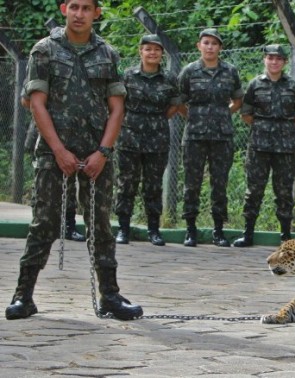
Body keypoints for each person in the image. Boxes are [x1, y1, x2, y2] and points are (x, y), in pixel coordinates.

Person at [6, 0, 143, 321]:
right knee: (44, 223)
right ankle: (22, 296)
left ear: (97, 13)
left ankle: (110, 295)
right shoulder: (45, 50)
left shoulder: (107, 53)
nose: (79, 14)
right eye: (74, 7)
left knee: (100, 225)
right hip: (54, 153)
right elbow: (36, 104)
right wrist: (58, 151)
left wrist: (103, 152)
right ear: (64, 8)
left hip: (97, 154)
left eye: (87, 8)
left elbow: (117, 108)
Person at [232, 44, 295, 247]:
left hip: (285, 147)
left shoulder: (293, 86)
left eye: (278, 59)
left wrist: (285, 127)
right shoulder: (255, 85)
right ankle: (248, 233)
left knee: (284, 191)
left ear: (284, 62)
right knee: (254, 190)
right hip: (259, 146)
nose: (274, 62)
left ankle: (285, 236)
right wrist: (263, 127)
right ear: (264, 60)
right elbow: (246, 114)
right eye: (270, 58)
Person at [114, 34, 182, 246]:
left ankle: (154, 230)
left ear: (162, 53)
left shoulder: (170, 79)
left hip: (157, 137)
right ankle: (123, 228)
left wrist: (155, 119)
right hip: (129, 137)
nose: (152, 53)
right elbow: (119, 104)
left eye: (156, 49)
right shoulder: (128, 76)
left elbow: (174, 106)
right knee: (126, 183)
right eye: (148, 49)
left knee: (153, 186)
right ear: (140, 51)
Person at [177, 28, 243, 247]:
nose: (210, 47)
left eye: (214, 44)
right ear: (199, 46)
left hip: (222, 137)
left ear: (220, 48)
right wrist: (194, 117)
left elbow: (237, 100)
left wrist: (223, 114)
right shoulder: (189, 71)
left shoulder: (230, 71)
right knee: (191, 183)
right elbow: (179, 102)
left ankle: (218, 230)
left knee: (219, 184)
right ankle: (190, 230)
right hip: (195, 136)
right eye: (206, 43)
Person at [22, 81, 85, 243]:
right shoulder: (41, 60)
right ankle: (39, 224)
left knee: (70, 180)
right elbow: (26, 99)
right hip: (44, 132)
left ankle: (69, 226)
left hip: (72, 132)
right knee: (43, 182)